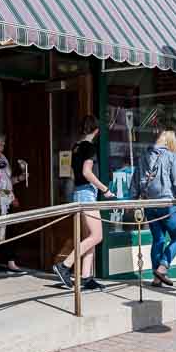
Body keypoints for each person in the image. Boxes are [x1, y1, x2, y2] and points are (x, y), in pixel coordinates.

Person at [53, 115, 115, 291]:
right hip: (87, 194)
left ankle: (86, 278)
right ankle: (64, 266)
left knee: (90, 237)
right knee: (97, 236)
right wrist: (105, 189)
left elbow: (75, 174)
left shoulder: (76, 147)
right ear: (96, 131)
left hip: (78, 193)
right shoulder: (89, 148)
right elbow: (87, 172)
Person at [130, 130, 176, 287]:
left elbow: (135, 183)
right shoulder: (172, 156)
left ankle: (156, 278)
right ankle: (162, 268)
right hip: (168, 204)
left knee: (158, 239)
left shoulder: (143, 157)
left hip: (149, 205)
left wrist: (133, 199)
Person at [0, 134, 28, 274]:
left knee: (11, 230)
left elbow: (8, 181)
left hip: (7, 200)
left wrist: (20, 178)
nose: (1, 147)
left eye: (3, 144)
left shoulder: (3, 159)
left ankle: (10, 262)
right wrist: (10, 196)